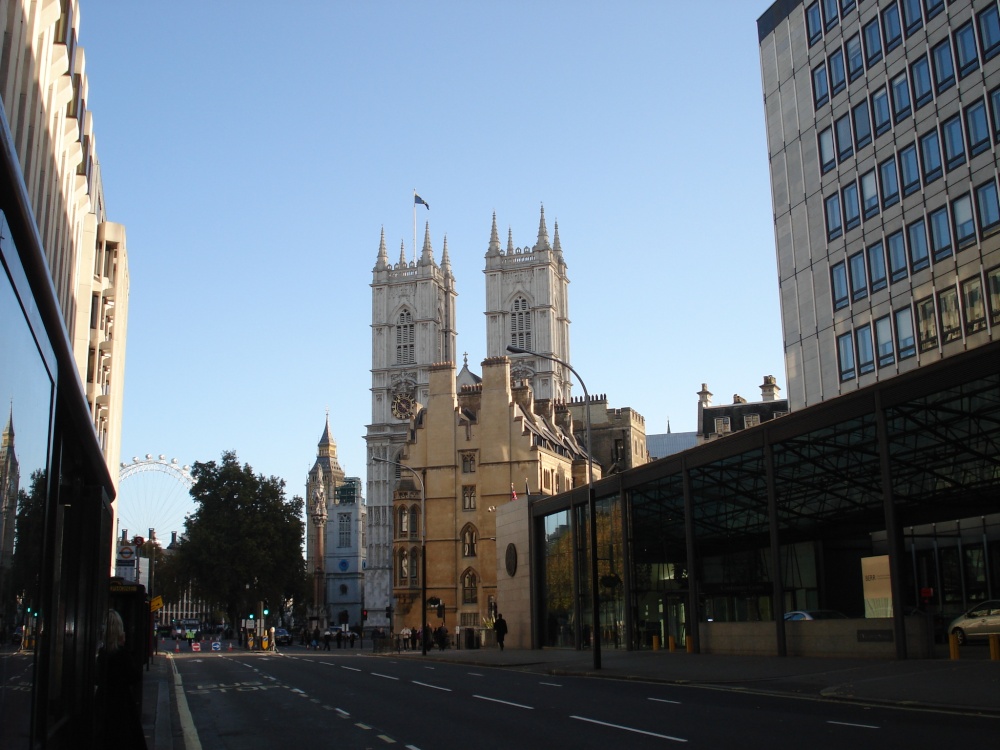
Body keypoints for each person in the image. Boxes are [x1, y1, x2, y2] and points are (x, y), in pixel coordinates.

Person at [100, 609, 147, 747]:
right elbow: (134, 676)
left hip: (104, 710)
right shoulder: (121, 655)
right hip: (121, 710)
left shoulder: (102, 655)